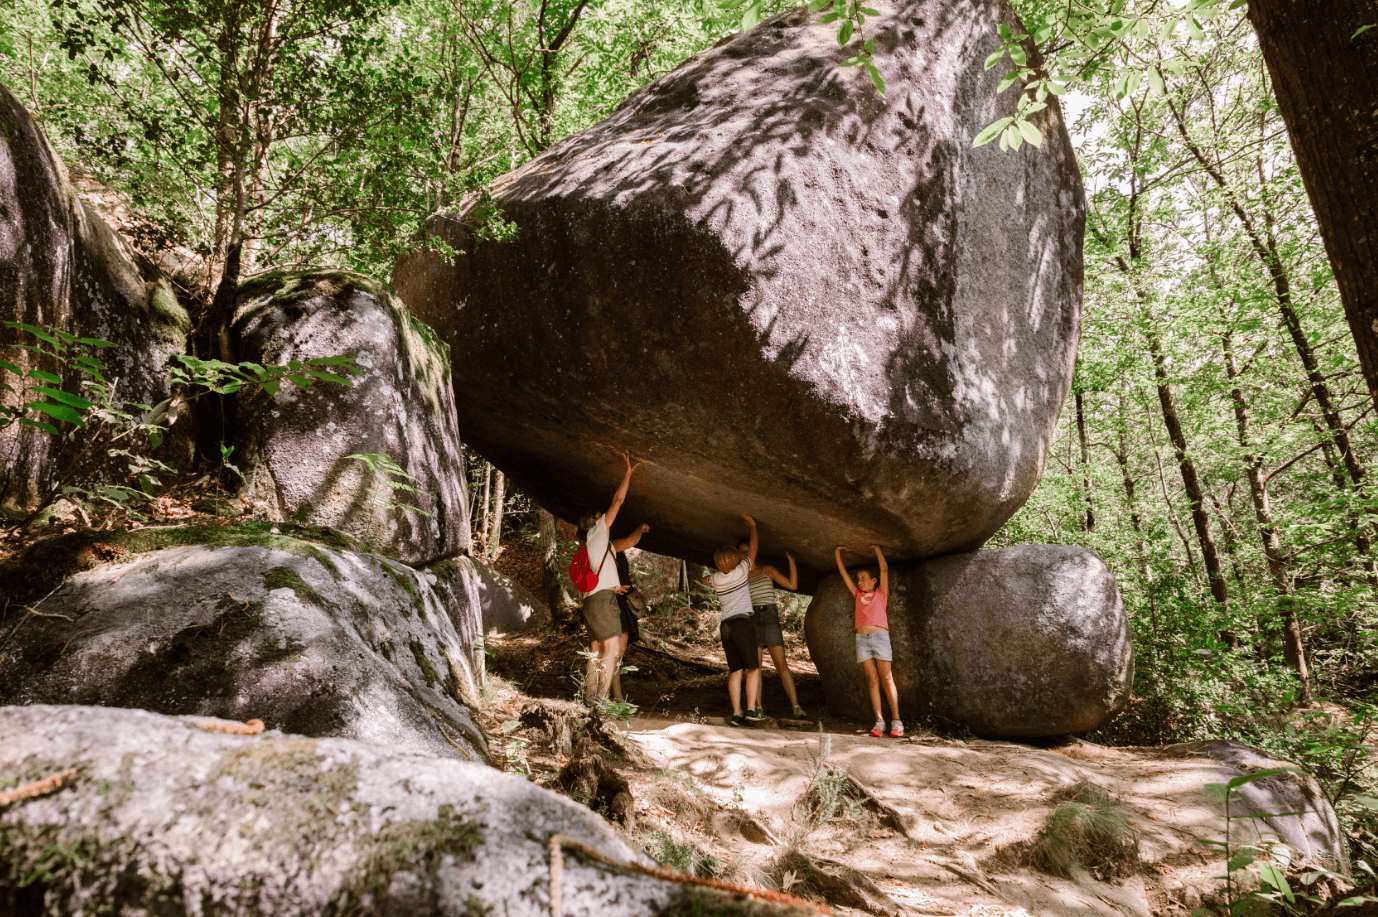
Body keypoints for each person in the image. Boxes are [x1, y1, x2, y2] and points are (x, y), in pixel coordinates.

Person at [577, 452, 650, 705]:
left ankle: (588, 697)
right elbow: (617, 501)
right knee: (612, 650)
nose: (604, 518)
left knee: (596, 650)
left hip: (592, 601)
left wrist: (613, 587)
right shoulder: (597, 532)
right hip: (603, 602)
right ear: (594, 521)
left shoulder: (591, 544)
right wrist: (628, 474)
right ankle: (600, 699)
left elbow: (619, 549)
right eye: (600, 516)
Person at [833, 544, 902, 738]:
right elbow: (844, 574)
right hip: (862, 639)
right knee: (872, 680)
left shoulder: (881, 593)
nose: (860, 581)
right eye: (859, 579)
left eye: (864, 578)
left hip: (880, 638)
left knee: (887, 679)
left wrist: (878, 550)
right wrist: (837, 554)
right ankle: (879, 721)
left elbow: (884, 569)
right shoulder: (857, 595)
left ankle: (896, 720)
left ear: (874, 580)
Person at [705, 514, 765, 726]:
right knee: (753, 668)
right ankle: (750, 709)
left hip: (725, 626)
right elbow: (754, 549)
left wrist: (717, 570)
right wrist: (754, 528)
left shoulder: (716, 579)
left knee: (735, 671)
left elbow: (705, 579)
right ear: (736, 560)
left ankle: (736, 713)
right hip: (741, 622)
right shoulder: (741, 571)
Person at [736, 536, 805, 719]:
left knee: (781, 665)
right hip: (751, 618)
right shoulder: (740, 576)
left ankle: (796, 706)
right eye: (741, 551)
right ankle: (758, 707)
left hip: (770, 617)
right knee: (755, 667)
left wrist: (792, 563)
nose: (745, 554)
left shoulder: (768, 570)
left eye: (747, 550)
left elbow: (793, 585)